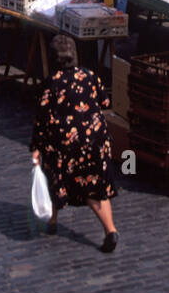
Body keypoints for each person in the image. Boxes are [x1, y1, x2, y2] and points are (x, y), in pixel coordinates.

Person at [30, 34, 118, 251]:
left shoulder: (51, 84)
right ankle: (110, 230)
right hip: (95, 141)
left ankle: (52, 221)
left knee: (55, 179)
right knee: (96, 188)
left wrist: (35, 148)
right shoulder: (90, 75)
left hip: (66, 146)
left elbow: (41, 119)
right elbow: (105, 100)